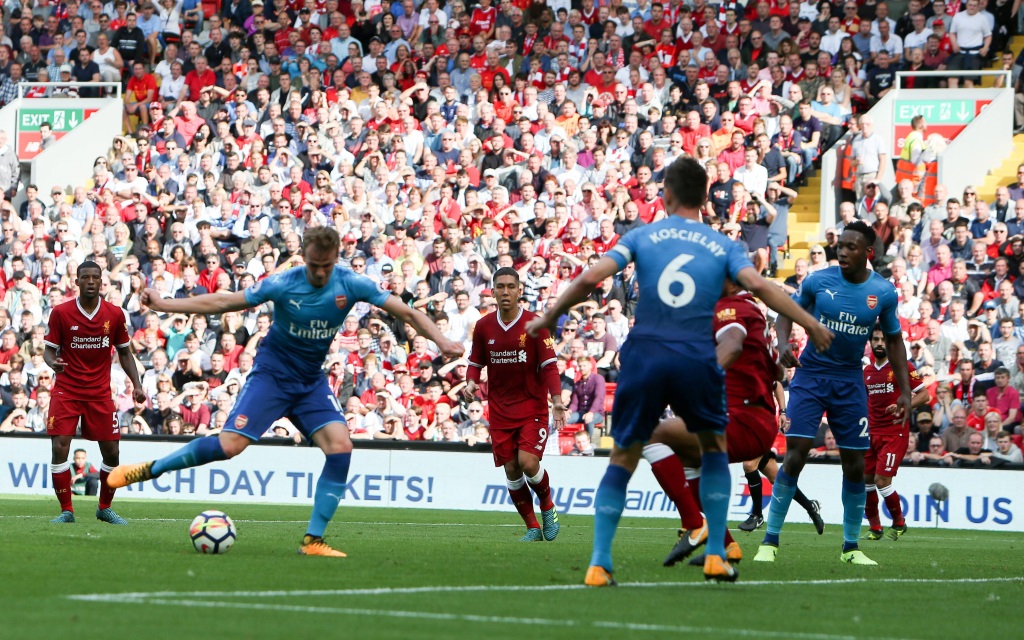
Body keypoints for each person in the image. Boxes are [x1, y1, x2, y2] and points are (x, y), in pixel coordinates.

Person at [526, 157, 832, 585]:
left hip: (645, 354)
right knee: (710, 451)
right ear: (706, 197)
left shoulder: (643, 236)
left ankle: (599, 563)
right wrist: (811, 323)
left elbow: (593, 276)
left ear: (665, 195)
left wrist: (549, 314)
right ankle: (715, 554)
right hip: (693, 360)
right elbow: (761, 286)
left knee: (625, 454)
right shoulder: (721, 245)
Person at [108, 228, 463, 556]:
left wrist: (443, 340)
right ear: (303, 258)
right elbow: (223, 303)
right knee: (230, 447)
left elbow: (406, 311)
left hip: (310, 382)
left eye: (325, 266)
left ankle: (313, 540)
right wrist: (164, 304)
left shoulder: (352, 283)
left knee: (341, 447)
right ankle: (148, 470)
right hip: (272, 377)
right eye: (313, 265)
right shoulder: (282, 283)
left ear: (336, 258)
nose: (319, 273)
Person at [754, 221, 911, 567]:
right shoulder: (817, 281)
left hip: (850, 381)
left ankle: (851, 547)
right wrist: (782, 344)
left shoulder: (883, 292)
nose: (842, 251)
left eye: (851, 246)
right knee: (795, 455)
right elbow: (785, 314)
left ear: (868, 252)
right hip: (811, 376)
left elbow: (895, 341)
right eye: (840, 245)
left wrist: (905, 391)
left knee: (855, 466)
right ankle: (770, 540)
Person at [644, 276, 826, 569]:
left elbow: (731, 347)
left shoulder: (730, 309)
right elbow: (778, 373)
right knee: (691, 462)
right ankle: (726, 546)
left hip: (743, 418)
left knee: (651, 435)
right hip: (752, 417)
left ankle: (695, 525)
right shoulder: (750, 309)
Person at [464, 267, 565, 543]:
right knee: (511, 469)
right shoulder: (484, 326)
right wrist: (471, 383)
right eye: (500, 287)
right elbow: (475, 363)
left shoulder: (535, 323)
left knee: (528, 461)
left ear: (520, 291)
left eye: (511, 286)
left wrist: (556, 400)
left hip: (531, 406)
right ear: (493, 291)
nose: (506, 291)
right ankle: (532, 527)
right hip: (499, 409)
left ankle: (548, 507)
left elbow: (550, 366)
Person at [45, 261, 147, 525]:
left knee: (112, 453)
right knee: (59, 447)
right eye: (85, 277)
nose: (90, 281)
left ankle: (104, 507)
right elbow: (48, 349)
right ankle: (66, 510)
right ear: (76, 282)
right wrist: (51, 362)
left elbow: (125, 352)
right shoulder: (61, 313)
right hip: (66, 391)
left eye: (95, 278)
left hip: (100, 394)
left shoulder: (114, 314)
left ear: (101, 282)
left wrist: (136, 384)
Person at [862, 327, 930, 541]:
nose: (879, 342)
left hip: (894, 433)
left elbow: (924, 395)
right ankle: (875, 528)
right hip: (872, 432)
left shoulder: (903, 366)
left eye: (883, 339)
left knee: (882, 481)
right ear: (871, 342)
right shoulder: (867, 372)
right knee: (866, 481)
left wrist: (903, 406)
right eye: (876, 339)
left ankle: (899, 522)